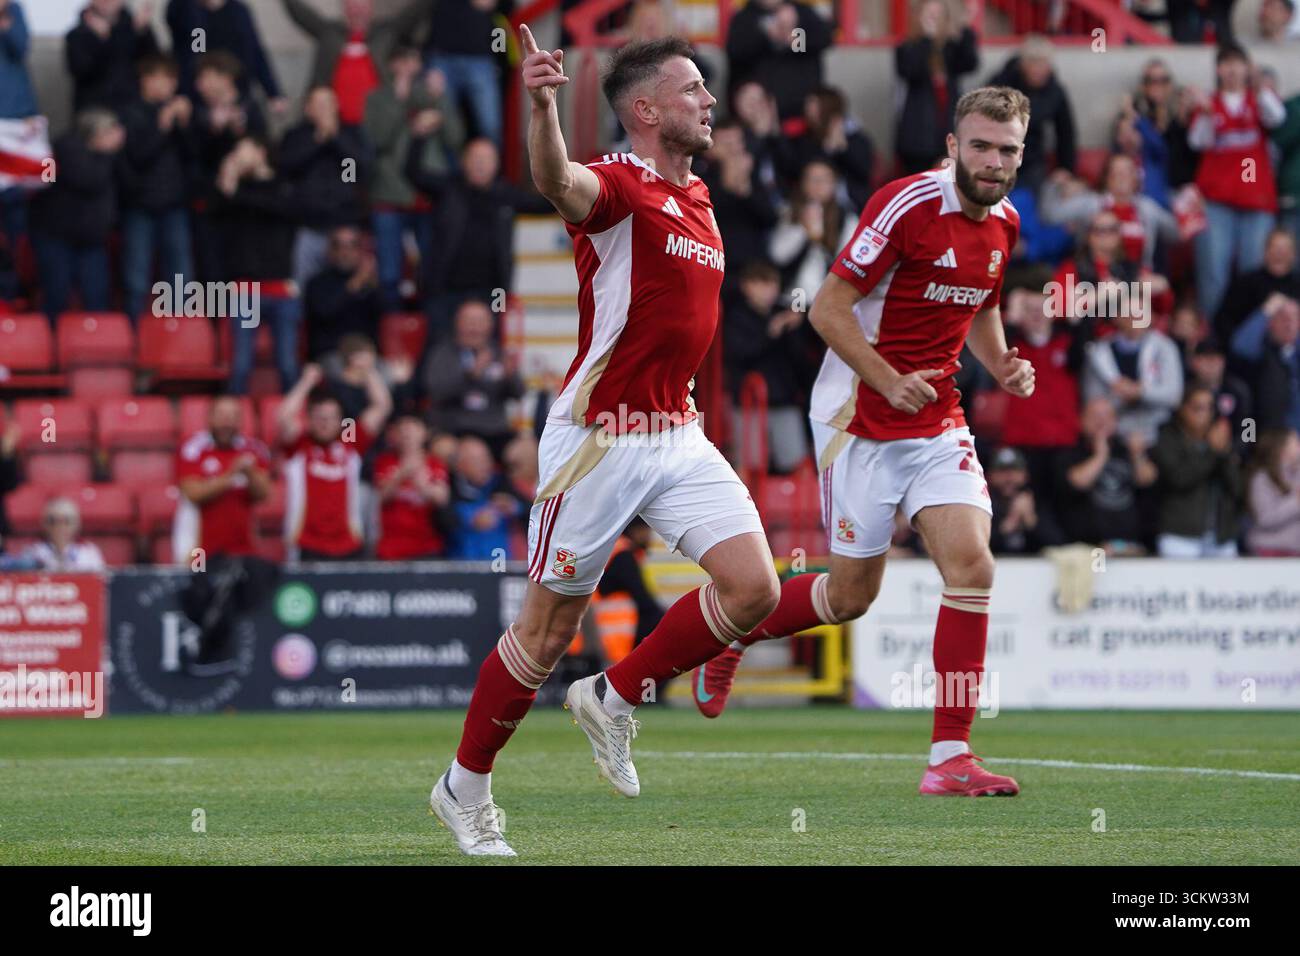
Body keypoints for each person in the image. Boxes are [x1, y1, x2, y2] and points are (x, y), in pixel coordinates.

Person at [429, 31, 777, 857]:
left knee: (754, 590)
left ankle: (614, 697)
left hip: (676, 431)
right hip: (599, 439)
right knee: (544, 635)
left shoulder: (700, 202)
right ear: (647, 109)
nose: (710, 101)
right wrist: (541, 105)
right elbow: (556, 179)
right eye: (693, 89)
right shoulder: (621, 186)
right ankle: (463, 790)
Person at [693, 87, 1034, 798]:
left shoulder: (1006, 222)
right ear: (952, 146)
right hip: (859, 418)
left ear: (1020, 154)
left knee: (972, 567)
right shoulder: (907, 204)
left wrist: (1001, 362)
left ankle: (949, 757)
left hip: (938, 420)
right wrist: (886, 378)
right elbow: (826, 308)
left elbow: (984, 303)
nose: (993, 161)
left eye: (1007, 150)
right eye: (980, 146)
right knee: (851, 597)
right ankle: (736, 633)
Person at [1186, 42, 1285, 318]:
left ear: (1247, 67)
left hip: (1257, 201)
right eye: (1225, 63)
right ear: (1218, 69)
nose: (1231, 69)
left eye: (1237, 63)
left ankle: (1249, 341)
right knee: (1213, 274)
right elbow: (1198, 142)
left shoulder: (1259, 100)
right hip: (1217, 202)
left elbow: (1277, 117)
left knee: (1252, 273)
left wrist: (1259, 85)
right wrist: (1205, 113)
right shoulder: (1210, 102)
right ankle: (1212, 343)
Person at [364, 45, 464, 311]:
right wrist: (399, 100)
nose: (409, 67)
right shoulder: (377, 98)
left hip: (427, 195)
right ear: (391, 65)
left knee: (432, 268)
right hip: (389, 194)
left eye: (414, 61)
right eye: (403, 61)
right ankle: (391, 331)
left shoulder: (431, 97)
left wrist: (442, 98)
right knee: (389, 274)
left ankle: (427, 329)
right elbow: (376, 141)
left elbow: (456, 140)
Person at [209, 135, 301, 393]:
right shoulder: (235, 190)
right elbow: (213, 215)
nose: (237, 156)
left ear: (260, 152)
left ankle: (292, 421)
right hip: (245, 288)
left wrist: (235, 191)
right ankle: (235, 422)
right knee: (241, 365)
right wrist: (226, 181)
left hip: (280, 287)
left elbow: (278, 208)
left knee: (287, 364)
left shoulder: (283, 185)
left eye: (243, 149)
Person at [278, 363, 391, 561]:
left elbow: (382, 407)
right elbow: (283, 416)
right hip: (306, 543)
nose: (324, 423)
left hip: (348, 543)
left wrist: (368, 371)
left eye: (331, 418)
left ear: (341, 421)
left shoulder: (349, 442)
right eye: (319, 418)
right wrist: (306, 382)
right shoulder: (299, 445)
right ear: (309, 420)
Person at [118, 54, 195, 320]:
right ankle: (135, 337)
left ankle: (181, 336)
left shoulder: (182, 115)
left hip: (175, 205)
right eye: (155, 78)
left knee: (181, 278)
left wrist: (185, 125)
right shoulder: (130, 113)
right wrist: (162, 126)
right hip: (139, 205)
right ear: (143, 81)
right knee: (136, 278)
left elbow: (195, 156)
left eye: (168, 79)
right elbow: (138, 155)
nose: (162, 86)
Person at [30, 109, 123, 320]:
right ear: (94, 134)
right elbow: (88, 180)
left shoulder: (107, 156)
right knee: (56, 295)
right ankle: (50, 345)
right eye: (109, 133)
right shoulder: (66, 149)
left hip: (91, 240)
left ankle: (96, 345)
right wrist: (108, 154)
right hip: (55, 237)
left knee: (97, 297)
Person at [278, 86, 372, 294]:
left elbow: (358, 169)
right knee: (300, 290)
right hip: (308, 227)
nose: (323, 110)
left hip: (345, 229)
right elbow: (287, 168)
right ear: (307, 109)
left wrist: (336, 139)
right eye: (317, 104)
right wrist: (317, 141)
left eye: (327, 104)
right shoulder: (296, 136)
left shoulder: (352, 134)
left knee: (350, 290)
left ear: (336, 106)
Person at [723, 258, 812, 474]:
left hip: (784, 400)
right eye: (762, 283)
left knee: (798, 463)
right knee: (747, 465)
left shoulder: (784, 311)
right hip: (748, 403)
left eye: (772, 284)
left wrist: (794, 328)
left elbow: (801, 359)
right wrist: (771, 333)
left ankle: (798, 508)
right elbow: (739, 354)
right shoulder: (735, 316)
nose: (768, 290)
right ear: (747, 286)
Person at [280, 0, 429, 125]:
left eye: (362, 6)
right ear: (345, 8)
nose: (357, 11)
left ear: (371, 8)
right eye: (353, 6)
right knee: (347, 160)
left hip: (376, 123)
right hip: (336, 124)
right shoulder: (329, 32)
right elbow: (299, 13)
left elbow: (415, 13)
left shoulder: (386, 33)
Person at [422, 298, 525, 460]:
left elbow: (518, 394)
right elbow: (437, 393)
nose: (475, 328)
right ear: (457, 324)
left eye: (480, 321)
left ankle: (509, 486)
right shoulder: (442, 354)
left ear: (490, 325)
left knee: (526, 451)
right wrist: (470, 375)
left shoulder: (498, 353)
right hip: (455, 429)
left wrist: (510, 376)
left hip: (495, 430)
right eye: (470, 321)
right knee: (466, 451)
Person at [173, 394, 272, 562]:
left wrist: (250, 473)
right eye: (221, 415)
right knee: (199, 585)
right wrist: (230, 476)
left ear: (240, 420)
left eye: (233, 416)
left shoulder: (254, 449)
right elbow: (192, 493)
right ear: (209, 418)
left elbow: (264, 494)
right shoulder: (192, 449)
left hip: (244, 549)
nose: (227, 422)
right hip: (199, 552)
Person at [1053, 396, 1157, 552]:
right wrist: (1100, 455)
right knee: (1099, 574)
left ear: (1116, 421)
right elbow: (1078, 482)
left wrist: (1138, 455)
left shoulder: (1127, 449)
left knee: (1130, 576)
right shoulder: (1071, 452)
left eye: (1107, 416)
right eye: (1095, 416)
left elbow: (1147, 479)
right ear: (1081, 420)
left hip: (1130, 546)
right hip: (1092, 548)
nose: (1101, 422)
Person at [1150, 384, 1243, 557]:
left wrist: (1225, 455)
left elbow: (1237, 488)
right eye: (1198, 408)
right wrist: (1212, 451)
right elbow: (1179, 478)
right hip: (1180, 534)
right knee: (1178, 584)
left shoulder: (1219, 439)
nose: (1204, 414)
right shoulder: (1167, 438)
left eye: (1209, 408)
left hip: (1220, 535)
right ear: (1182, 409)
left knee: (1228, 584)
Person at [894, 0, 979, 175]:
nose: (934, 20)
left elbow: (969, 63)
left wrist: (964, 27)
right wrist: (926, 39)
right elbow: (910, 71)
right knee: (919, 186)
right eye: (929, 15)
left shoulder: (951, 47)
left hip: (949, 129)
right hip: (917, 137)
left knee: (950, 185)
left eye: (938, 15)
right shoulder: (907, 47)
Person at [1081, 306, 1183, 446]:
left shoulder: (1164, 347)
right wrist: (1120, 395)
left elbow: (1173, 396)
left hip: (1160, 429)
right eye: (1130, 312)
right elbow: (1093, 401)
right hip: (1113, 431)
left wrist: (1139, 391)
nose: (1136, 318)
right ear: (1116, 316)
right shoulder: (1099, 352)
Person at [987, 36, 1075, 191]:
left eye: (1044, 64)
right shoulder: (1001, 83)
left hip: (1032, 161)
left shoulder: (1054, 92)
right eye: (1035, 64)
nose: (1039, 71)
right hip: (999, 156)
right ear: (1024, 65)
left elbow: (1065, 132)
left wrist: (1065, 168)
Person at [167, 0, 286, 112]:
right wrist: (183, 93)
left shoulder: (239, 12)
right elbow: (189, 53)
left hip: (238, 91)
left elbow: (255, 52)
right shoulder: (188, 11)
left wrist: (273, 92)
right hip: (200, 95)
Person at [725, 0, 832, 121]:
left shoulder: (802, 12)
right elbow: (737, 51)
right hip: (757, 113)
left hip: (803, 111)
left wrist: (794, 37)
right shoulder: (744, 17)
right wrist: (767, 36)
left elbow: (824, 39)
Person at [422, 0, 506, 144]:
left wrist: (498, 58)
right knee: (442, 125)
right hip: (441, 57)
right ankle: (450, 167)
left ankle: (491, 165)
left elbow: (501, 17)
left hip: (480, 58)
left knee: (490, 125)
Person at [373, 413, 451, 560]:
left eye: (412, 430)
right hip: (391, 547)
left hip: (426, 545)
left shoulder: (435, 463)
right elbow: (380, 497)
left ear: (424, 433)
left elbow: (442, 498)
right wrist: (402, 472)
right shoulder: (384, 462)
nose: (407, 434)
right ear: (394, 435)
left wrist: (421, 482)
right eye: (402, 430)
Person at [65, 0, 160, 113]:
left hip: (133, 107)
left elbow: (154, 64)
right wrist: (102, 41)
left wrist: (142, 32)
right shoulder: (78, 35)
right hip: (95, 110)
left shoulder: (134, 29)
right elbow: (82, 70)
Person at [303, 225, 382, 360]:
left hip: (364, 354)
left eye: (352, 246)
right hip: (330, 353)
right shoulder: (316, 282)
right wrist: (354, 284)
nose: (345, 252)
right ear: (329, 251)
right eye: (338, 246)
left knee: (392, 374)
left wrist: (376, 285)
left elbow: (384, 312)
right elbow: (325, 311)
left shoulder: (369, 282)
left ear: (359, 251)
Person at [1230, 291, 1300, 432]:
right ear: (1270, 323)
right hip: (1267, 435)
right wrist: (1265, 310)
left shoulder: (1296, 351)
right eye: (1283, 317)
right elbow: (1240, 346)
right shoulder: (1261, 349)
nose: (1289, 323)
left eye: (1295, 318)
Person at [447, 434, 523, 559]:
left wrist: (513, 506)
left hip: (500, 563)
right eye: (476, 461)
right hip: (463, 567)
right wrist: (471, 523)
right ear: (459, 465)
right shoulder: (448, 489)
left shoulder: (501, 483)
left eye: (486, 458)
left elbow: (530, 507)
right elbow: (444, 522)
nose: (485, 465)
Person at [985, 446, 1061, 555]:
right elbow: (975, 547)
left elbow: (1060, 545)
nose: (1008, 478)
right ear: (991, 476)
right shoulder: (983, 506)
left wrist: (1031, 520)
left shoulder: (1037, 502)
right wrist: (1009, 524)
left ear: (1025, 475)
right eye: (1002, 471)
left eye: (1014, 470)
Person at [1245, 428, 1300, 555]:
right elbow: (1264, 518)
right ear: (1282, 449)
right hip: (1268, 551)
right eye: (1296, 442)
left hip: (1295, 553)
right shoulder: (1262, 479)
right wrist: (1296, 501)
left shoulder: (1297, 475)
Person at [19, 497, 105, 571]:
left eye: (66, 521)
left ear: (77, 524)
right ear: (43, 523)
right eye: (52, 521)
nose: (59, 526)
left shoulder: (89, 552)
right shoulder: (32, 552)